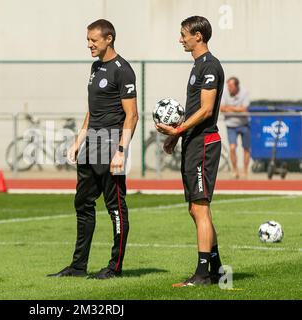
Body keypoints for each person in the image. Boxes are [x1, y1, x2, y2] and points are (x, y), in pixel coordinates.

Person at [47, 19, 138, 279]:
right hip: (91, 144)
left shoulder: (123, 70)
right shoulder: (95, 66)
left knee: (115, 207)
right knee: (83, 204)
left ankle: (115, 267)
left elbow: (132, 115)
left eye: (93, 40)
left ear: (108, 39)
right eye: (87, 40)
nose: (89, 45)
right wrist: (78, 141)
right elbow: (92, 109)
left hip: (111, 145)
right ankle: (78, 267)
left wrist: (121, 150)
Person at [156, 16, 225, 287]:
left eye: (184, 34)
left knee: (200, 207)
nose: (180, 39)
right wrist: (178, 136)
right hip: (194, 142)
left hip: (205, 143)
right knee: (196, 209)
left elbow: (206, 109)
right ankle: (218, 270)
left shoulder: (210, 65)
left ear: (198, 36)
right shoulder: (197, 66)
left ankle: (202, 275)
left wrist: (178, 129)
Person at [220, 77, 250, 179]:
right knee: (232, 148)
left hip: (244, 124)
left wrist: (230, 108)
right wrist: (237, 109)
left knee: (246, 148)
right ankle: (235, 170)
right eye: (228, 86)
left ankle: (245, 171)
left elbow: (244, 109)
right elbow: (222, 108)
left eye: (231, 86)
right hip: (231, 125)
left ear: (236, 86)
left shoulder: (244, 92)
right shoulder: (224, 92)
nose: (229, 88)